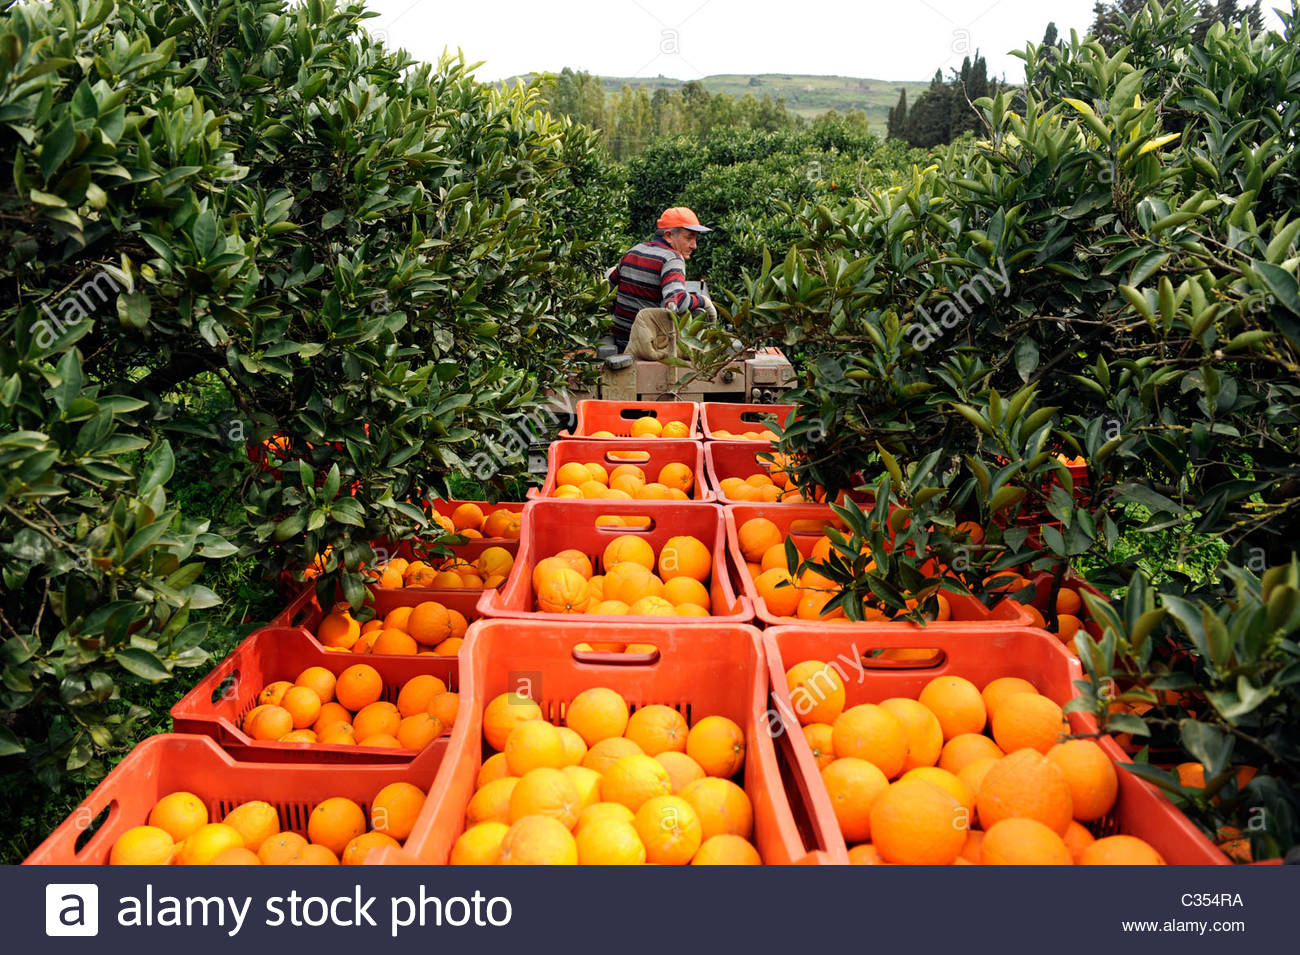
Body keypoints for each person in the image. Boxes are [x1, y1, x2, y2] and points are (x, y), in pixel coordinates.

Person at [608, 207, 716, 352]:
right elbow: (678, 301)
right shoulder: (672, 259)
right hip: (647, 347)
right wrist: (703, 301)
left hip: (619, 341)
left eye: (696, 239)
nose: (694, 246)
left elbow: (609, 288)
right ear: (669, 235)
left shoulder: (633, 251)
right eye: (689, 238)